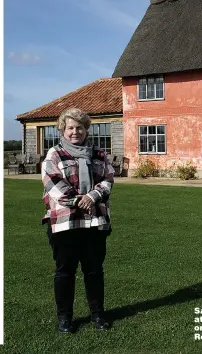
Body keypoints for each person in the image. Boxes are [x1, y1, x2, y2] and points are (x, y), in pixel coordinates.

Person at [41, 108, 115, 333]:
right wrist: (78, 200)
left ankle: (98, 315)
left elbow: (108, 179)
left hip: (94, 222)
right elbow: (52, 182)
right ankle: (65, 318)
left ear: (86, 129)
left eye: (80, 127)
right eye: (70, 127)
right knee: (65, 271)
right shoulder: (55, 154)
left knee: (94, 270)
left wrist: (92, 196)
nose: (75, 132)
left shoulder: (98, 154)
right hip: (65, 223)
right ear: (62, 129)